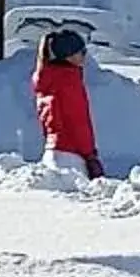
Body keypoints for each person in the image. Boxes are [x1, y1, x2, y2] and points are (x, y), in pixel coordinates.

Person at [34, 26, 103, 179]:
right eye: (82, 52)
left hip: (52, 151)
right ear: (68, 55)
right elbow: (78, 121)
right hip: (71, 157)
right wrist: (90, 155)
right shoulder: (69, 82)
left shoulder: (47, 80)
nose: (85, 56)